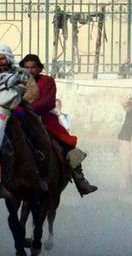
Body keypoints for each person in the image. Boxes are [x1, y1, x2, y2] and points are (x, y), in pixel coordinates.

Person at [19, 54, 98, 196]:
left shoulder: (48, 81)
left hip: (45, 121)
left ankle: (80, 180)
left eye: (33, 67)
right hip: (21, 120)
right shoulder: (18, 82)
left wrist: (28, 108)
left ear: (39, 68)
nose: (30, 71)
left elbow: (48, 102)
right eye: (27, 68)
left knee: (67, 145)